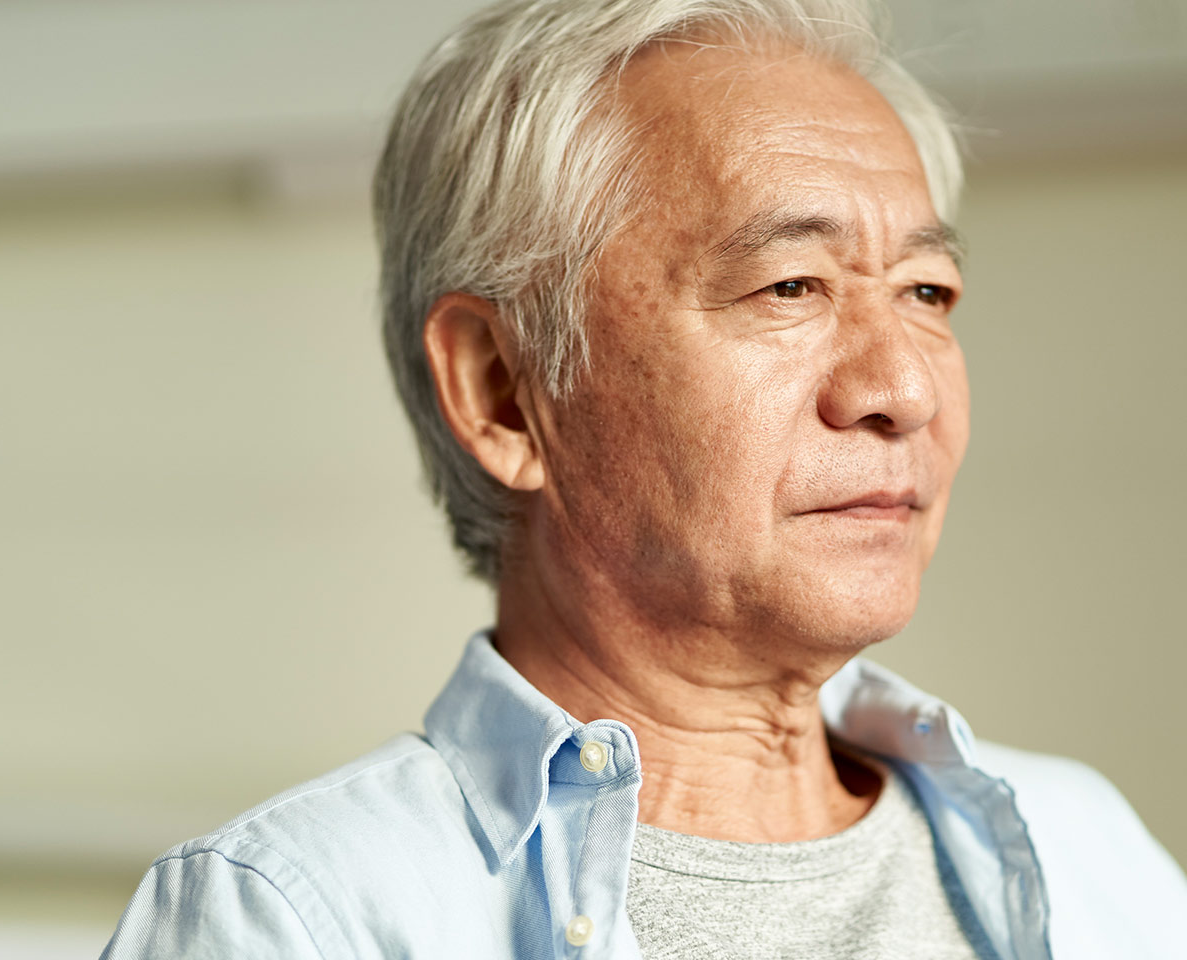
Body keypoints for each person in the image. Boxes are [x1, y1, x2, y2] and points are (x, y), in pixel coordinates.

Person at [100, 1, 1187, 957]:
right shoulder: (297, 921)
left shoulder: (1087, 849)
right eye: (791, 285)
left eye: (928, 292)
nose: (901, 387)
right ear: (504, 392)